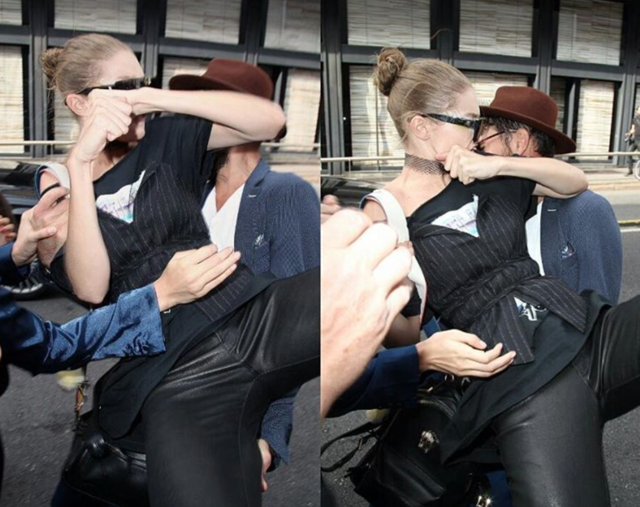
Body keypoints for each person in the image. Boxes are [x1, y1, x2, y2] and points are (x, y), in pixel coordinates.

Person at [343, 46, 640, 507]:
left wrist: (498, 164)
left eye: (479, 124)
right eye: (467, 122)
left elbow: (575, 183)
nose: (477, 135)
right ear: (421, 126)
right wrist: (395, 286)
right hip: (518, 375)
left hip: (586, 331)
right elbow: (402, 336)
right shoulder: (384, 211)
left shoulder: (485, 173)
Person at [36, 33, 319, 507]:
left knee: (361, 285)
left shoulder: (168, 137)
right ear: (80, 103)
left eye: (142, 81)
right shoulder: (62, 191)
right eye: (124, 86)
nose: (137, 95)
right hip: (174, 369)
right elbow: (91, 287)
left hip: (249, 313)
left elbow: (270, 121)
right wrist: (80, 167)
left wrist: (152, 97)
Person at [169, 58, 321, 475]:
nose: (193, 121)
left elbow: (295, 328)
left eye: (206, 107)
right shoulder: (189, 191)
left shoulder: (284, 194)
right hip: (165, 390)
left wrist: (268, 435)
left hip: (232, 404)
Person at [476, 86, 622, 304]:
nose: (478, 148)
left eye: (485, 141)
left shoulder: (586, 209)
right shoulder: (493, 202)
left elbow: (600, 310)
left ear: (519, 141)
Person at [625, 106, 640, 175]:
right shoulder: (634, 119)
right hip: (635, 140)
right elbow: (633, 129)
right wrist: (629, 133)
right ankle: (630, 170)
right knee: (628, 153)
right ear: (637, 111)